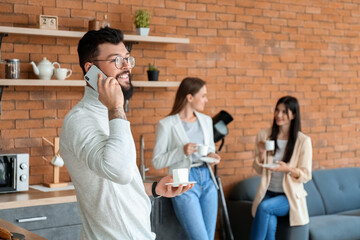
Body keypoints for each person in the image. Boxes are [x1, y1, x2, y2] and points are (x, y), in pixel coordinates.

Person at [59, 27, 192, 240]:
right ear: (91, 69)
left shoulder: (111, 114)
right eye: (116, 60)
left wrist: (156, 188)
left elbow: (120, 184)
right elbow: (118, 171)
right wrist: (116, 108)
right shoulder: (80, 120)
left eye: (128, 59)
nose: (127, 66)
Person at [152, 77, 220, 240]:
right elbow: (157, 161)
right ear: (190, 98)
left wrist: (212, 156)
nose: (206, 100)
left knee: (209, 237)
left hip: (207, 179)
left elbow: (209, 148)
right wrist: (181, 151)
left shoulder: (206, 120)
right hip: (184, 181)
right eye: (203, 96)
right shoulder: (166, 124)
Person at [250, 96, 312, 240]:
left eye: (284, 112)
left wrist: (288, 169)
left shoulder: (303, 141)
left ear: (293, 115)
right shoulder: (264, 135)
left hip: (288, 196)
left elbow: (306, 175)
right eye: (277, 110)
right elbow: (259, 170)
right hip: (268, 191)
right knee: (269, 223)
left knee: (264, 208)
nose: (279, 115)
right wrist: (261, 154)